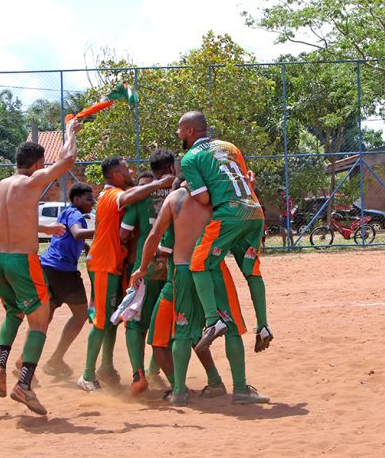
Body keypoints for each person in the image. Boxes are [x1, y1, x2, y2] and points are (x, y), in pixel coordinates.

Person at [130, 175, 269, 406]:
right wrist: (248, 189)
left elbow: (154, 235)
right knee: (231, 328)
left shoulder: (174, 199)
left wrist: (142, 268)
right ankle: (241, 388)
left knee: (182, 331)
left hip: (183, 271)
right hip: (212, 268)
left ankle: (179, 392)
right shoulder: (216, 198)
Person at [0, 119, 79, 416]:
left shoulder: (1, 186)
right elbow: (68, 160)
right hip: (22, 262)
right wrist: (69, 132)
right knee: (39, 323)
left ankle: (0, 368)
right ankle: (24, 385)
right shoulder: (31, 182)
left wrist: (44, 228)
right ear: (38, 163)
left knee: (13, 312)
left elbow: (11, 220)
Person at [176, 111, 272, 354]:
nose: (178, 134)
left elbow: (205, 198)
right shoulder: (231, 147)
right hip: (254, 211)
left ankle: (212, 320)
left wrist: (192, 186)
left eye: (179, 129)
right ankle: (263, 326)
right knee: (252, 270)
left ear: (189, 131)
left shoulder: (190, 159)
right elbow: (247, 182)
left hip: (228, 215)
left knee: (198, 263)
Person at [77, 156, 174, 393]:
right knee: (102, 321)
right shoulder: (111, 194)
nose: (129, 170)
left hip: (115, 265)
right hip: (102, 264)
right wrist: (159, 184)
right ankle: (87, 375)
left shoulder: (126, 197)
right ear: (116, 174)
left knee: (112, 319)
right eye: (125, 168)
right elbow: (129, 199)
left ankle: (107, 367)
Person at [119, 149, 177, 395]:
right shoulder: (181, 192)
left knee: (134, 323)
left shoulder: (141, 196)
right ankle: (167, 375)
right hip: (175, 268)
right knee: (167, 324)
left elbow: (123, 233)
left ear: (152, 171)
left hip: (145, 268)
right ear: (172, 168)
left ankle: (138, 375)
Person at [39, 182, 96, 376]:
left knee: (44, 317)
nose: (93, 202)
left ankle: (24, 360)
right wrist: (104, 230)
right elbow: (77, 233)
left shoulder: (67, 211)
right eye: (89, 199)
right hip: (63, 271)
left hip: (48, 268)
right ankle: (55, 360)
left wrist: (86, 247)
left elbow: (71, 238)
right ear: (77, 199)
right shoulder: (75, 214)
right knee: (80, 315)